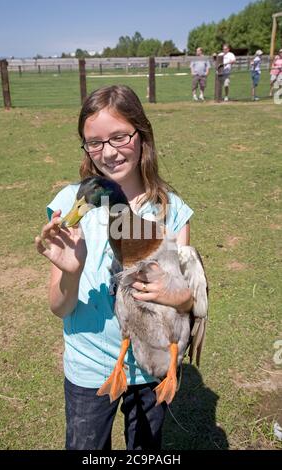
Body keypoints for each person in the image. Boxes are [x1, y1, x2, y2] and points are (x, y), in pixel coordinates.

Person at [35, 85, 194, 450]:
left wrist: (180, 296)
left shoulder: (171, 213)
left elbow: (186, 304)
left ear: (142, 135)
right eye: (94, 142)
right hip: (89, 368)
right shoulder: (71, 206)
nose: (108, 151)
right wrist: (72, 271)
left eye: (119, 136)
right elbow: (59, 307)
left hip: (151, 365)